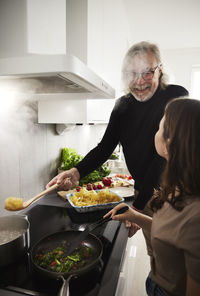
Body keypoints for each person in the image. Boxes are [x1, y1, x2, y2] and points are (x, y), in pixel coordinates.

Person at [46, 41, 188, 217]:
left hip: (172, 194)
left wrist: (138, 206)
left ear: (160, 70)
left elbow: (164, 155)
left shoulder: (175, 96)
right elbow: (104, 147)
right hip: (141, 191)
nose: (139, 81)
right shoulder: (123, 105)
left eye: (147, 72)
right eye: (132, 73)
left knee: (173, 244)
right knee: (153, 244)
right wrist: (76, 172)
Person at [104, 97, 200, 296]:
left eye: (159, 126)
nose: (154, 132)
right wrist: (135, 216)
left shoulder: (196, 214)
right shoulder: (180, 186)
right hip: (157, 286)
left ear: (170, 142)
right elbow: (176, 235)